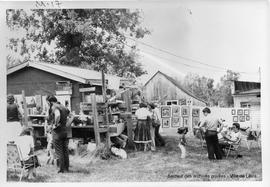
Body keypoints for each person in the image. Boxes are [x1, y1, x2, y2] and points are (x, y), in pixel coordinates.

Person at [46, 95, 70, 173]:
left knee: (59, 151)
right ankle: (66, 168)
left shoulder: (54, 107)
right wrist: (67, 124)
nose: (48, 104)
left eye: (47, 103)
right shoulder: (63, 107)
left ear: (50, 102)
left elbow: (58, 115)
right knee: (65, 150)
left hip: (57, 132)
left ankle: (61, 169)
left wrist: (55, 124)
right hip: (65, 131)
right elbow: (72, 116)